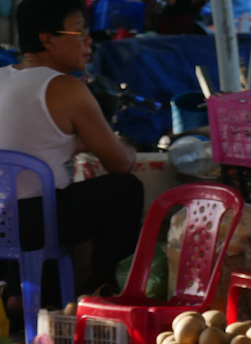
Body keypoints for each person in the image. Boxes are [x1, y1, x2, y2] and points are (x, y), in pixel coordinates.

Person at [0, 0, 144, 302]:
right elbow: (118, 163)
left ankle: (16, 294)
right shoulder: (66, 87)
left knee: (40, 198)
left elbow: (31, 141)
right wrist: (127, 150)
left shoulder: (3, 77)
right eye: (78, 31)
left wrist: (82, 142)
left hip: (4, 220)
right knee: (126, 189)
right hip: (31, 223)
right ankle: (101, 289)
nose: (88, 40)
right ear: (47, 39)